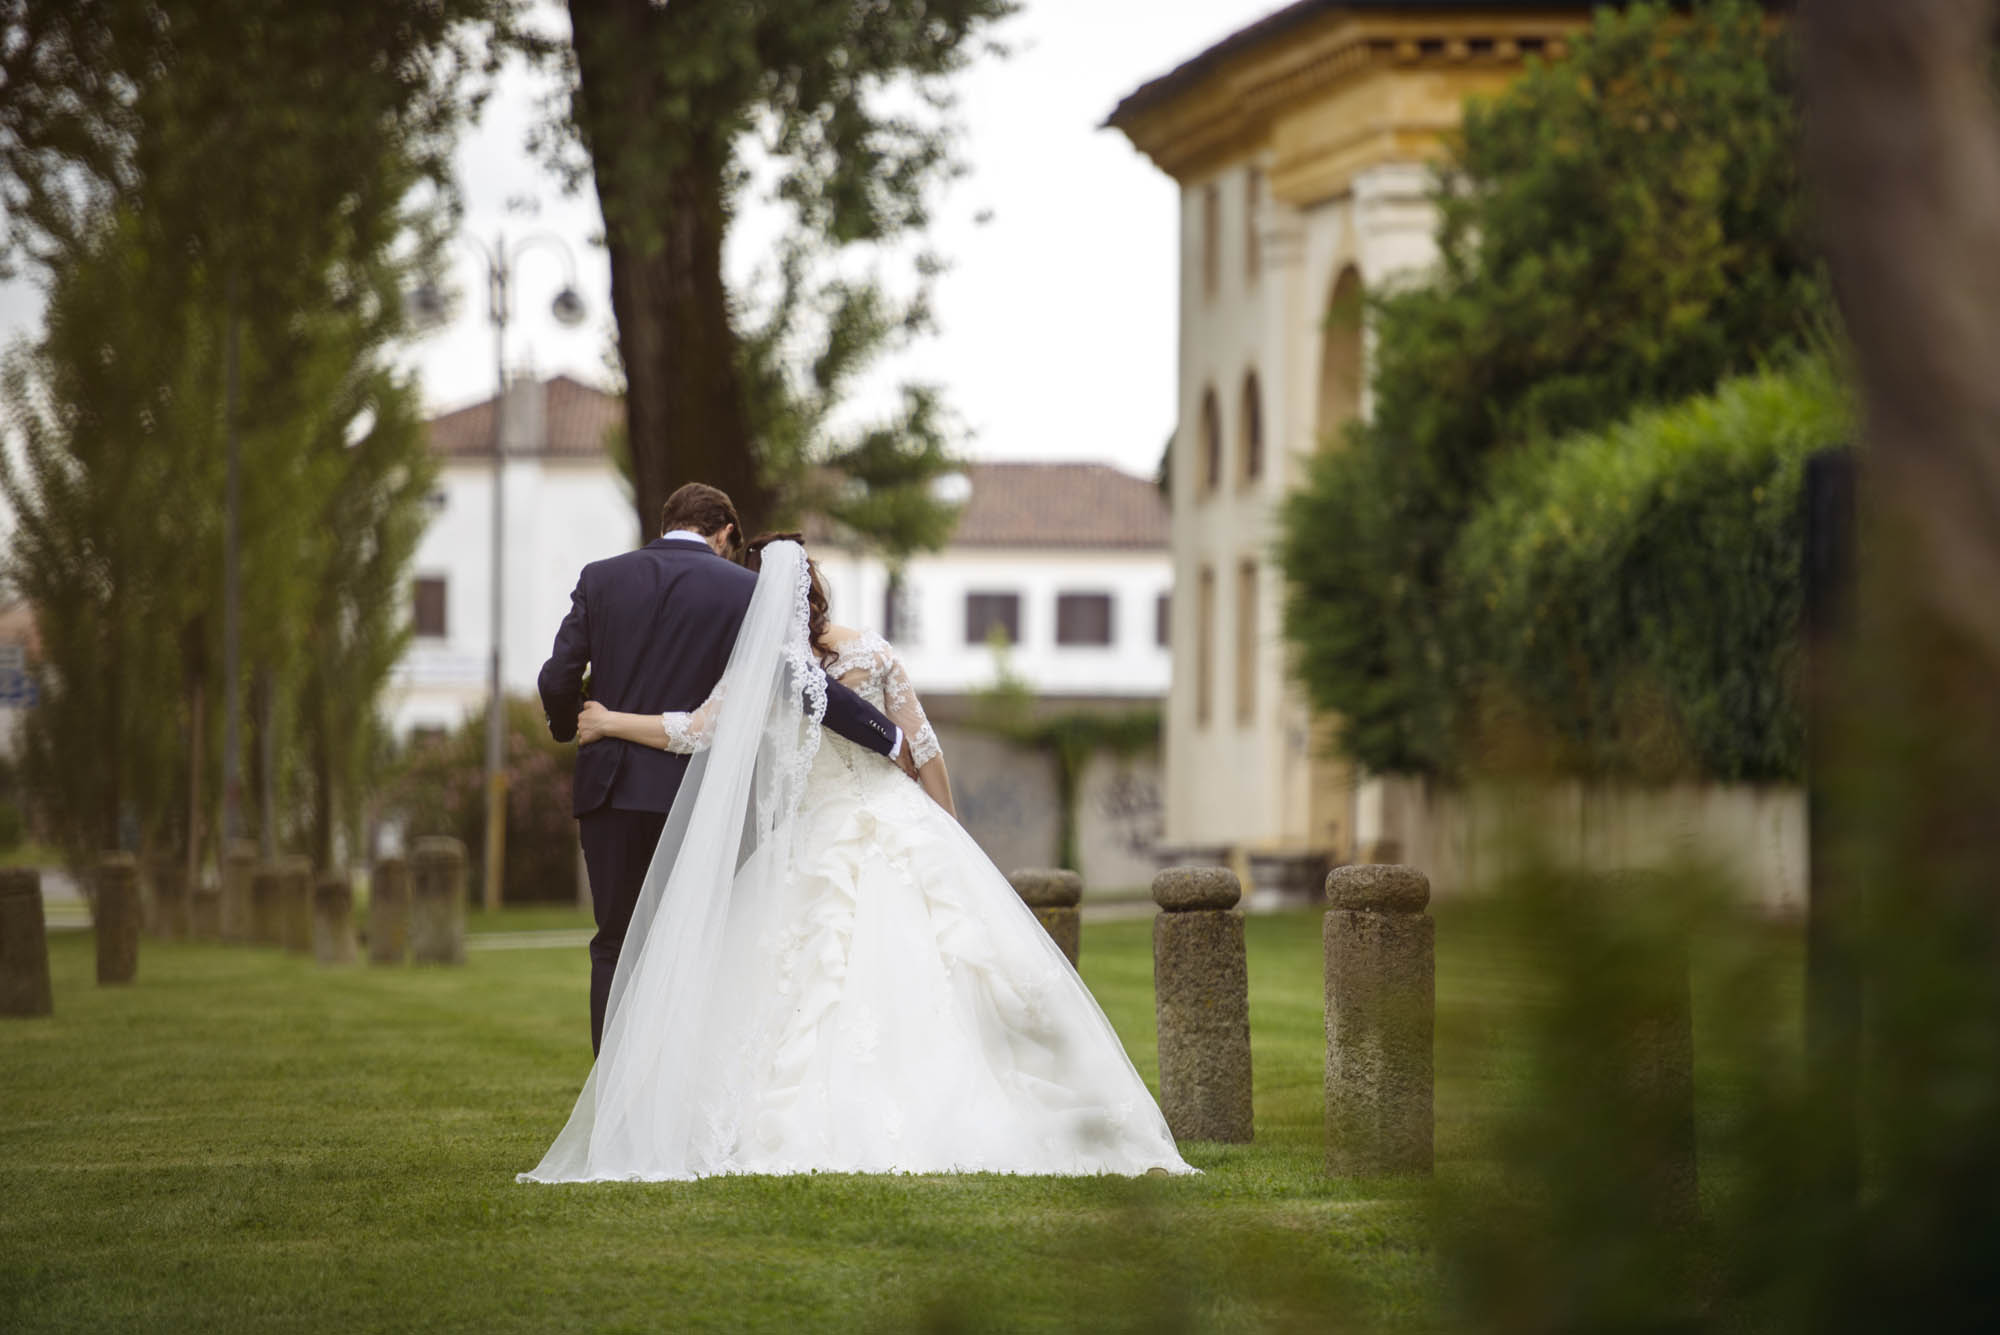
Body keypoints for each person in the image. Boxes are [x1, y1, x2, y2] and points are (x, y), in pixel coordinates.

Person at [519, 533, 1191, 1180]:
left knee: (798, 979)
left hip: (814, 836)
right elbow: (921, 747)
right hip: (889, 820)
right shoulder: (869, 653)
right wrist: (946, 831)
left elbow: (693, 733)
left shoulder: (760, 673)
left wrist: (607, 720)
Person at [536, 484, 917, 1056]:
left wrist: (576, 723)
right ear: (725, 534)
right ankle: (676, 1086)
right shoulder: (745, 591)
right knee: (692, 941)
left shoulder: (601, 577)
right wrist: (887, 736)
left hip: (609, 789)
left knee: (614, 943)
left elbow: (556, 679)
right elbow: (800, 682)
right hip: (692, 796)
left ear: (668, 522)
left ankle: (610, 1091)